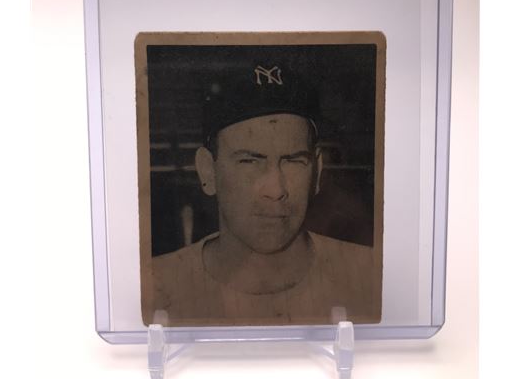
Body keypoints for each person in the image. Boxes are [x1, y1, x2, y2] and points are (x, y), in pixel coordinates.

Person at [143, 61, 380, 327]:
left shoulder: (372, 274)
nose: (275, 190)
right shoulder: (153, 284)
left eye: (293, 161)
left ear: (317, 170)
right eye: (249, 161)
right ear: (207, 170)